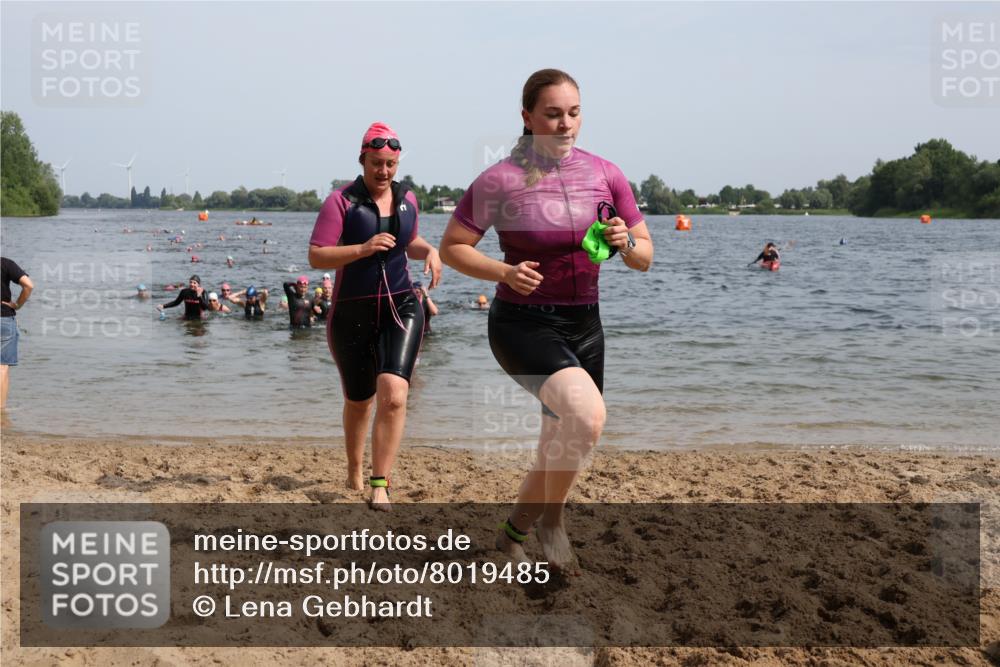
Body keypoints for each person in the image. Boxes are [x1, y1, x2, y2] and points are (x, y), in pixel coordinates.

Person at [438, 69, 653, 571]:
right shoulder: (500, 180)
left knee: (558, 442)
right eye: (553, 114)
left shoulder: (607, 174)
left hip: (587, 324)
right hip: (522, 324)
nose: (565, 125)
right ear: (527, 117)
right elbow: (452, 249)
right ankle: (553, 523)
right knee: (588, 418)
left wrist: (626, 244)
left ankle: (513, 532)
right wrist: (504, 271)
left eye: (574, 113)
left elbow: (645, 257)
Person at [308, 121, 442, 510]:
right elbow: (317, 255)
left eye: (390, 164)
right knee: (359, 400)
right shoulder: (341, 201)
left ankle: (379, 481)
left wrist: (431, 251)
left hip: (401, 304)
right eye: (377, 163)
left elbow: (409, 241)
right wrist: (362, 248)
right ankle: (353, 467)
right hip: (352, 309)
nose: (383, 172)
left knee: (395, 395)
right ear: (362, 160)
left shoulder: (408, 199)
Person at [1, 257, 34, 411]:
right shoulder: (5, 263)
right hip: (3, 318)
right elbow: (28, 285)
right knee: (2, 366)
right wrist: (17, 305)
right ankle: (0, 412)